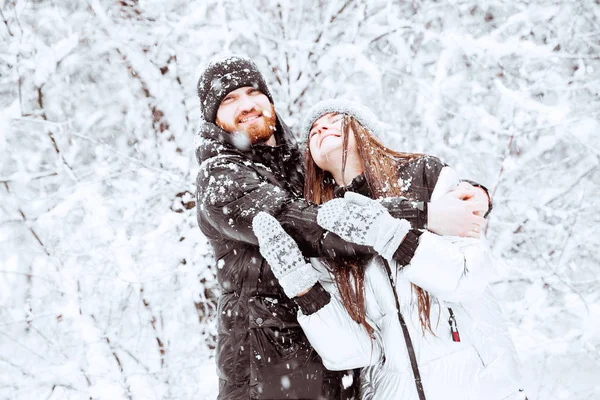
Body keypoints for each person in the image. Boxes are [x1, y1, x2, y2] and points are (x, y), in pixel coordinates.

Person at [195, 56, 492, 399]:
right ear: (212, 119)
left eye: (252, 92)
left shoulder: (304, 167)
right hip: (265, 366)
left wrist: (470, 195)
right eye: (228, 100)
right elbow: (303, 223)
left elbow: (368, 188)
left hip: (341, 365)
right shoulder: (219, 177)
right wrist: (423, 214)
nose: (246, 105)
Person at [251, 99, 526, 399]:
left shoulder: (424, 174)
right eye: (313, 131)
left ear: (363, 128)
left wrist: (390, 235)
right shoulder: (325, 227)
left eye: (333, 119)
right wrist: (302, 286)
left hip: (480, 387)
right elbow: (353, 351)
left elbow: (468, 277)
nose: (321, 128)